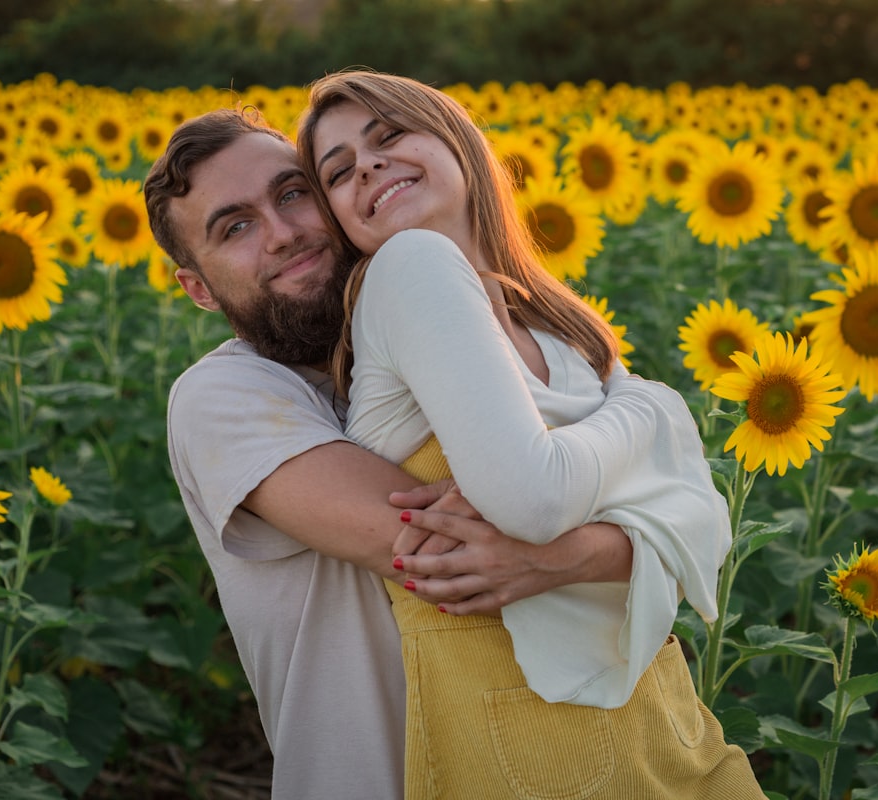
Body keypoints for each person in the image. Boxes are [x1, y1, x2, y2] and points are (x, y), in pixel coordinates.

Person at [143, 108, 643, 800]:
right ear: (197, 287)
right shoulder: (222, 396)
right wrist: (647, 471)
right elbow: (456, 557)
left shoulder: (452, 341)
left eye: (292, 194)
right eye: (236, 227)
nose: (285, 234)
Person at [299, 70, 767, 798]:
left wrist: (584, 547)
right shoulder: (408, 268)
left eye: (389, 135)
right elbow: (533, 500)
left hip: (660, 717)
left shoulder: (553, 327)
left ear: (455, 138)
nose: (367, 166)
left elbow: (706, 527)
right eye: (338, 172)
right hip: (539, 747)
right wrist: (656, 415)